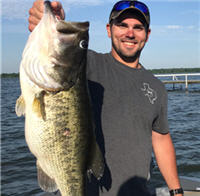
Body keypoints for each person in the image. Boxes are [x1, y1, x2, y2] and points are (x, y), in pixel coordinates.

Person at [28, 0, 184, 195]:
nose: (130, 33)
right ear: (109, 30)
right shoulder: (86, 64)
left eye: (138, 27)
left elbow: (160, 139)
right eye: (122, 25)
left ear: (147, 34)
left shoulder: (157, 87)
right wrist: (51, 19)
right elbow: (58, 52)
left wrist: (176, 190)